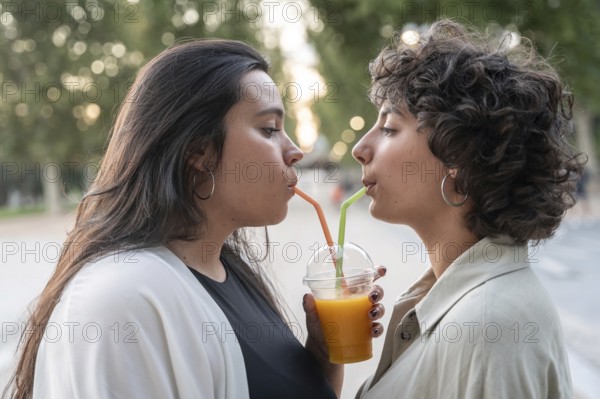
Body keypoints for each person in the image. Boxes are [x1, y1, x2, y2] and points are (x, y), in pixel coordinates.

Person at [5, 40, 385, 399]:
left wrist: (323, 354)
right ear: (199, 151)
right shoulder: (123, 298)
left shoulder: (227, 269)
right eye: (269, 129)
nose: (295, 151)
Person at [351, 20, 584, 398]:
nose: (359, 148)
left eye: (390, 128)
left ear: (457, 158)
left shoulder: (491, 326)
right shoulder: (458, 300)